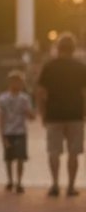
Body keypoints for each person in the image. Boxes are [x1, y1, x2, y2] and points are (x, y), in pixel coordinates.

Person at [35, 33, 86, 197]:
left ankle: (55, 184)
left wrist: (42, 112)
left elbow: (41, 92)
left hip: (54, 113)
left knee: (54, 151)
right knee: (74, 152)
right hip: (75, 113)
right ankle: (71, 186)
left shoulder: (49, 67)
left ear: (58, 48)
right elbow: (84, 93)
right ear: (73, 49)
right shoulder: (80, 67)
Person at [0, 69, 34, 193]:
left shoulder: (24, 98)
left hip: (20, 131)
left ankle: (19, 182)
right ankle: (10, 180)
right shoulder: (3, 98)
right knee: (8, 158)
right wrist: (2, 135)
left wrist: (29, 112)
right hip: (8, 131)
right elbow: (1, 117)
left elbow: (31, 116)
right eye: (14, 81)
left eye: (19, 82)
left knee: (20, 158)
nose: (16, 84)